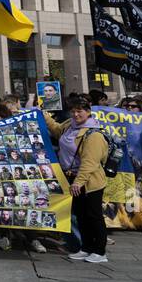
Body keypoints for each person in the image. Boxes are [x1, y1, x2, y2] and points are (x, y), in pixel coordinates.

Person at [43, 94, 109, 264]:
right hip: (71, 178)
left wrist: (79, 182)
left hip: (90, 181)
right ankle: (86, 248)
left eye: (79, 111)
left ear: (88, 112)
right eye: (72, 111)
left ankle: (100, 251)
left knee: (94, 216)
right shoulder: (69, 125)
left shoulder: (93, 134)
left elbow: (90, 163)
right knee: (81, 216)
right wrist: (43, 116)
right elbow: (57, 130)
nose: (75, 114)